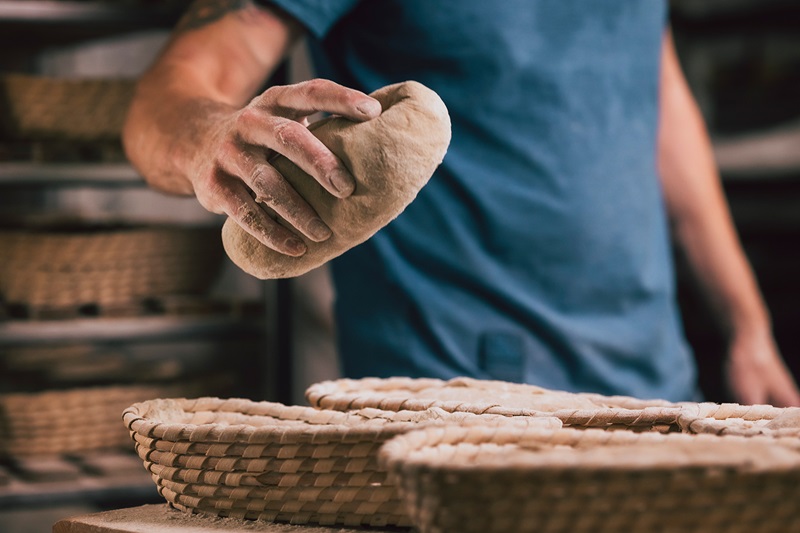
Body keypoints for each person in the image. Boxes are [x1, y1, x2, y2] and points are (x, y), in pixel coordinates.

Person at [123, 0, 800, 405]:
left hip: (651, 379)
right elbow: (174, 85)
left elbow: (659, 100)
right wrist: (207, 137)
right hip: (455, 399)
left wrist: (748, 323)